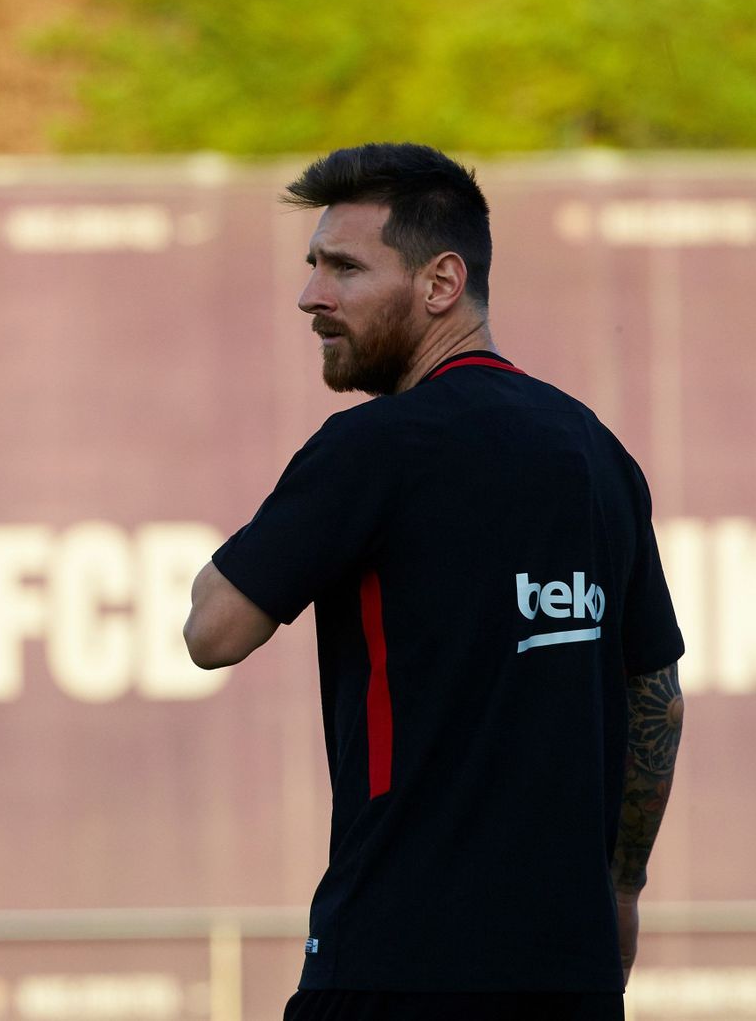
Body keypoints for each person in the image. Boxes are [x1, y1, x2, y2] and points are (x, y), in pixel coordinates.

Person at [182, 143, 685, 1021]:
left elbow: (212, 632)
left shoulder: (375, 446)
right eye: (312, 268)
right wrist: (623, 891)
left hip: (396, 966)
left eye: (343, 268)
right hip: (571, 974)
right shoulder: (596, 453)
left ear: (441, 282)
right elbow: (657, 699)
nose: (311, 298)